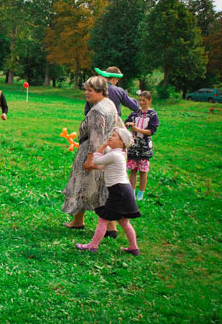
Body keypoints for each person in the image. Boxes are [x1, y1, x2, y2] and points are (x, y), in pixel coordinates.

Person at [62, 76, 126, 237]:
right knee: (100, 187)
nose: (86, 93)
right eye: (86, 89)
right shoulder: (109, 104)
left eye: (90, 90)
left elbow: (95, 138)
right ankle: (89, 223)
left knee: (83, 186)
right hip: (105, 152)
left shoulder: (98, 110)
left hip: (92, 152)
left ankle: (107, 227)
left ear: (100, 91)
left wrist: (90, 159)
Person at [75, 127, 141, 256]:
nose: (110, 137)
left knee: (103, 219)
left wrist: (102, 146)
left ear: (122, 142)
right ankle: (134, 248)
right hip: (124, 191)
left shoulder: (114, 155)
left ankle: (92, 246)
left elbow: (96, 160)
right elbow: (103, 166)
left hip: (119, 191)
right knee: (123, 221)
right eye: (110, 135)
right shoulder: (120, 154)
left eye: (114, 136)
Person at [125, 91, 160, 201]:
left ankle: (141, 193)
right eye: (140, 100)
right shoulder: (135, 113)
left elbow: (151, 131)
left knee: (143, 170)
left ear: (149, 101)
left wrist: (137, 129)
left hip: (144, 147)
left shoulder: (153, 115)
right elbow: (126, 123)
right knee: (133, 169)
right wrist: (128, 125)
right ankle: (132, 192)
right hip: (133, 145)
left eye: (144, 100)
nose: (141, 102)